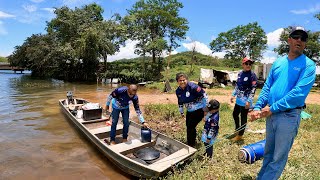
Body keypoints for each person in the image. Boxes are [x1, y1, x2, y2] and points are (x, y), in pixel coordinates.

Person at [249, 26, 316, 179]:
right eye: (296, 36)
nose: (299, 40)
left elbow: (298, 94)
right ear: (289, 40)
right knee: (268, 153)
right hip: (271, 115)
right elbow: (267, 87)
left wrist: (273, 108)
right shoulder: (278, 63)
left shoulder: (309, 65)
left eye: (303, 38)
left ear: (305, 44)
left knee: (278, 158)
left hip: (288, 116)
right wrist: (258, 106)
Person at [175, 72, 208, 147]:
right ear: (177, 81)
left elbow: (205, 96)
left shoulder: (193, 87)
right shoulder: (178, 91)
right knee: (188, 126)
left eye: (184, 80)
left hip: (199, 109)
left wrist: (206, 111)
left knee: (190, 126)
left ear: (187, 80)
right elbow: (180, 101)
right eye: (180, 80)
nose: (182, 82)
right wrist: (181, 112)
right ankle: (192, 141)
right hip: (190, 110)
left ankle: (191, 145)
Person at [230, 57, 258, 142]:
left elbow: (253, 89)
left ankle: (240, 135)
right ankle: (238, 129)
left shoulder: (252, 75)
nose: (249, 65)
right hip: (239, 100)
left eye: (250, 64)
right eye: (247, 64)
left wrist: (249, 101)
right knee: (235, 114)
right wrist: (233, 95)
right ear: (243, 64)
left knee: (243, 118)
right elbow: (238, 86)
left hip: (246, 102)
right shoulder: (240, 74)